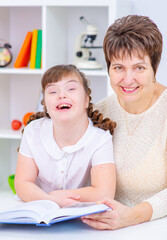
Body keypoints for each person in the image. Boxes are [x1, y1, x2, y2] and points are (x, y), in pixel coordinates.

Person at [81, 15, 167, 229]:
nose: (128, 79)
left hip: (156, 227)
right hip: (103, 227)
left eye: (139, 68)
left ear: (154, 69)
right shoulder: (97, 113)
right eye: (118, 67)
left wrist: (134, 215)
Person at [14, 64, 116, 207]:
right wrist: (50, 200)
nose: (61, 95)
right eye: (53, 91)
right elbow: (22, 183)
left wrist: (62, 196)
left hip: (80, 219)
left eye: (71, 89)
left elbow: (104, 192)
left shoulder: (100, 139)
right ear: (45, 105)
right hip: (38, 212)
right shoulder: (33, 131)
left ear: (86, 100)